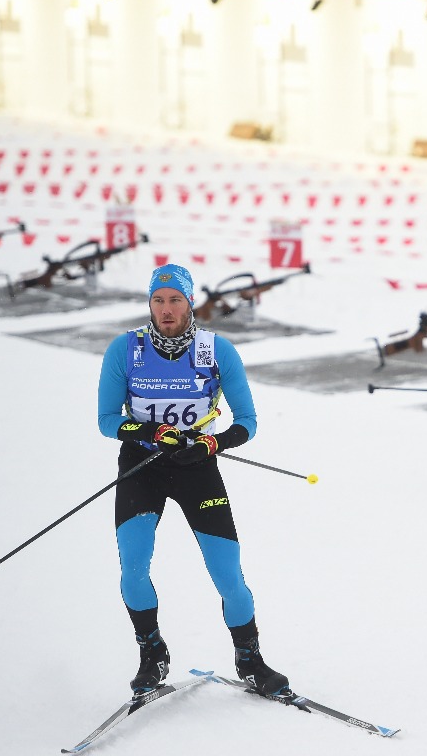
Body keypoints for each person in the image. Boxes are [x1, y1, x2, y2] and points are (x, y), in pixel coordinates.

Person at [97, 263, 290, 697]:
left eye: (175, 300)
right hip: (142, 466)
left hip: (196, 467)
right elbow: (107, 420)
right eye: (158, 300)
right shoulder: (125, 350)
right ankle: (152, 653)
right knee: (133, 566)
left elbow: (248, 422)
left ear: (189, 304)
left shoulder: (216, 350)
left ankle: (250, 659)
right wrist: (149, 433)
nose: (166, 309)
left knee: (228, 574)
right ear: (150, 304)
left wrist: (211, 445)